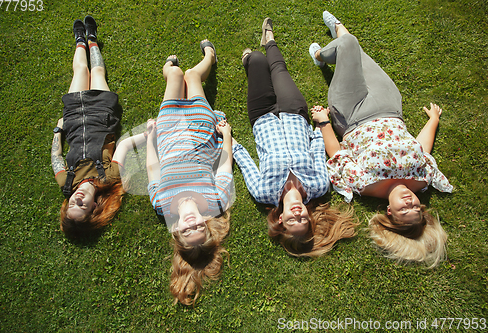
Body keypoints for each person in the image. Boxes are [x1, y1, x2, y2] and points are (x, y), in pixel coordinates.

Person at [309, 11, 453, 267]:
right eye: (417, 210)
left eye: (404, 211)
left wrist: (322, 122)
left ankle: (321, 56)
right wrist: (433, 121)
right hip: (390, 106)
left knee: (350, 46)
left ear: (389, 212)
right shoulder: (422, 179)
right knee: (357, 54)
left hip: (352, 113)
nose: (410, 204)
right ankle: (339, 35)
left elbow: (337, 154)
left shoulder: (365, 185)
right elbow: (421, 148)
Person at [233, 18, 357, 258]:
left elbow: (246, 162)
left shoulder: (264, 193)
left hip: (262, 117)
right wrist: (320, 123)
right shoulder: (319, 187)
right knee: (279, 70)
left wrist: (229, 139)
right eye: (303, 220)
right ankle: (269, 39)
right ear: (310, 217)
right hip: (294, 114)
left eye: (292, 221)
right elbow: (317, 150)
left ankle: (251, 61)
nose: (297, 214)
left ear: (281, 218)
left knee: (256, 61)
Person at [146, 40, 234, 305]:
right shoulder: (217, 201)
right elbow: (224, 164)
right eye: (200, 229)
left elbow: (153, 168)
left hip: (170, 129)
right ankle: (210, 55)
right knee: (192, 75)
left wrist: (151, 138)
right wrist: (226, 136)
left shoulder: (161, 205)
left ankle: (169, 68)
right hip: (200, 129)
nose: (193, 224)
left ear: (177, 233)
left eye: (188, 231)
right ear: (207, 228)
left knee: (173, 73)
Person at [52, 16, 134, 238]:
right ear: (94, 207)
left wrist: (58, 132)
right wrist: (148, 135)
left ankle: (80, 40)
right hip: (101, 114)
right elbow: (124, 146)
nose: (75, 201)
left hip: (75, 119)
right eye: (81, 206)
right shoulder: (108, 179)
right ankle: (93, 40)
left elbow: (56, 158)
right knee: (96, 72)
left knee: (80, 72)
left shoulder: (66, 182)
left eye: (71, 206)